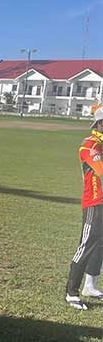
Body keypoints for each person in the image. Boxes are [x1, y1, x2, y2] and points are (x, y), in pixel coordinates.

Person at [65, 105, 103, 309]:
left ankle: (90, 285)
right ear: (100, 123)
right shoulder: (90, 145)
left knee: (100, 244)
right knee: (86, 245)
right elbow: (101, 170)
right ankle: (71, 292)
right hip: (95, 203)